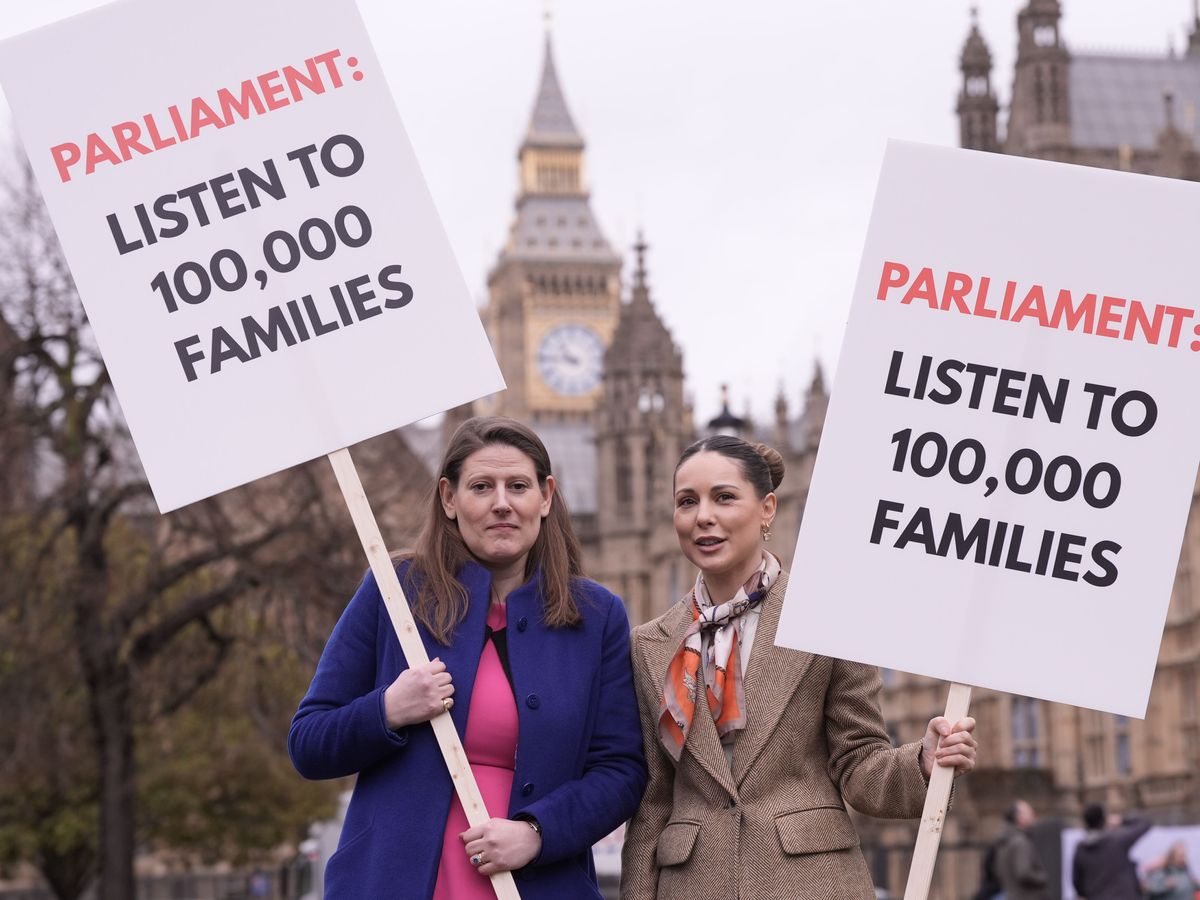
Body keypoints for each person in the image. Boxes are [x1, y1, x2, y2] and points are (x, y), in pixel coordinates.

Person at [289, 416, 647, 900]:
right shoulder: (395, 590)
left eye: (518, 486)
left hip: (537, 884)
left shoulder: (597, 615)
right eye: (481, 487)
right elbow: (309, 742)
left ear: (545, 497)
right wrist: (388, 709)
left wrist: (538, 833)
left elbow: (620, 770)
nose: (502, 503)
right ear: (449, 498)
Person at [620, 435, 978, 899]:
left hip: (810, 882)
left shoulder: (830, 616)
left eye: (724, 497)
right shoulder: (650, 643)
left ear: (767, 509)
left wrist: (923, 763)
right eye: (687, 501)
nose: (703, 516)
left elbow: (858, 762)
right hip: (692, 885)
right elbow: (653, 803)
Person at [1072, 804, 1152, 900]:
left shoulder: (1081, 848)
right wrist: (1121, 820)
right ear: (1104, 819)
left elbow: (1077, 881)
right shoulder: (1117, 840)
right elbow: (1145, 823)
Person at [994, 799, 1050, 900]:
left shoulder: (1005, 841)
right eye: (1029, 813)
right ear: (1019, 818)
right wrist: (1043, 877)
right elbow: (1024, 873)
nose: (1033, 815)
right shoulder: (1020, 842)